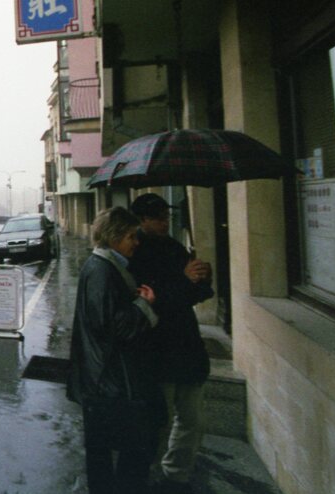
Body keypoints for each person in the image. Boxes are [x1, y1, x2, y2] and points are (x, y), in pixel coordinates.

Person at [68, 207, 165, 494]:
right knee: (126, 448)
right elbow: (114, 327)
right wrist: (145, 305)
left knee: (104, 450)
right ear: (114, 237)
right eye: (131, 236)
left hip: (102, 375)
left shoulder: (105, 267)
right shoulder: (102, 270)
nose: (136, 242)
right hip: (109, 377)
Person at [128, 193, 214, 494]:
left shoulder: (175, 247)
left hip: (187, 346)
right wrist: (184, 280)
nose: (165, 221)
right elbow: (151, 301)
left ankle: (177, 474)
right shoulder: (134, 253)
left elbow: (197, 295)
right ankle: (148, 474)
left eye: (166, 215)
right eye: (158, 217)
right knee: (159, 419)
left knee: (193, 418)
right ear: (141, 220)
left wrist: (202, 277)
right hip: (157, 348)